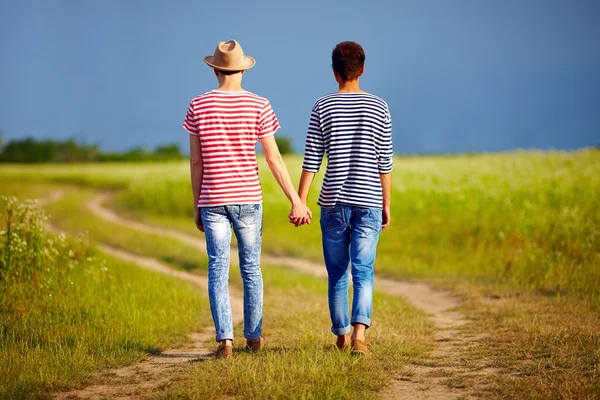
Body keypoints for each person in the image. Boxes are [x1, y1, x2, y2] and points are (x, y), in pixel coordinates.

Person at [184, 40, 311, 359]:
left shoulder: (197, 105)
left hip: (213, 200)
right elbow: (274, 159)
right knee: (251, 268)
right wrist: (296, 200)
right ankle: (253, 338)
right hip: (249, 199)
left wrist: (198, 203)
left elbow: (196, 162)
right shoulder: (259, 104)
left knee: (217, 268)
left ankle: (225, 342)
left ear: (215, 68)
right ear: (242, 69)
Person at [292, 41, 393, 357]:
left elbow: (312, 158)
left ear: (334, 72)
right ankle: (359, 337)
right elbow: (384, 162)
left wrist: (301, 200)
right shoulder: (380, 107)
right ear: (362, 69)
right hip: (369, 202)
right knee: (363, 270)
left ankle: (341, 334)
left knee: (337, 273)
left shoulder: (322, 107)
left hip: (333, 203)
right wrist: (386, 204)